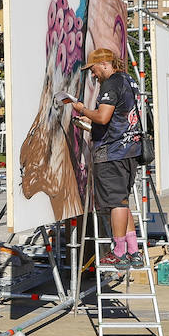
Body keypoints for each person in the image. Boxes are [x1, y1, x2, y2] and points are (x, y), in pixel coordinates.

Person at [62, 48, 143, 270]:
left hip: (113, 153)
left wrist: (82, 109)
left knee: (115, 203)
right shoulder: (129, 80)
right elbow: (119, 118)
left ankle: (118, 252)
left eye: (94, 70)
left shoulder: (111, 83)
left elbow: (103, 116)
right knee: (122, 201)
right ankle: (133, 251)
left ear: (105, 64)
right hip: (129, 150)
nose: (93, 75)